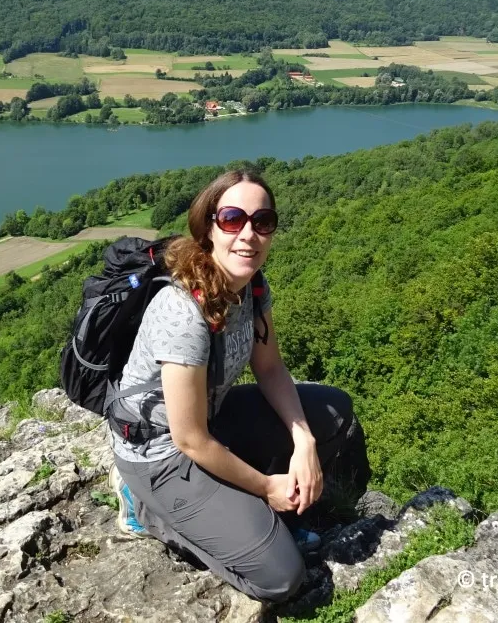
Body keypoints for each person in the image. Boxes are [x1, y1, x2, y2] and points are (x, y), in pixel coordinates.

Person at [107, 169, 371, 603]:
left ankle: (248, 502)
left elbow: (269, 369)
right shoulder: (183, 310)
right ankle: (146, 509)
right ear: (207, 227)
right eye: (232, 218)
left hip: (211, 417)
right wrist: (268, 488)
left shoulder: (251, 287)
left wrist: (303, 441)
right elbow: (189, 440)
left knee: (334, 411)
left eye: (262, 221)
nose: (249, 234)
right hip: (159, 450)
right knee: (281, 576)